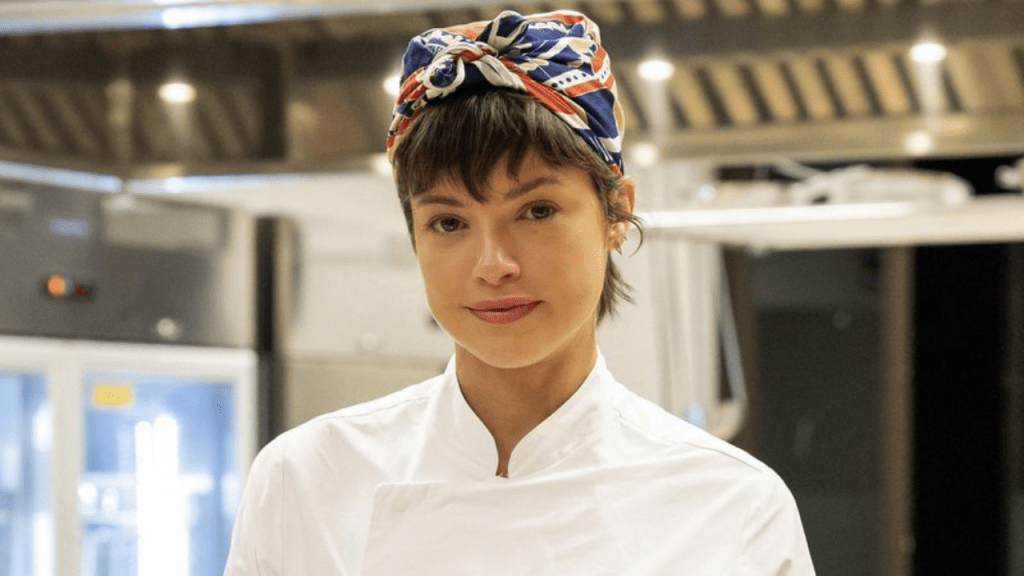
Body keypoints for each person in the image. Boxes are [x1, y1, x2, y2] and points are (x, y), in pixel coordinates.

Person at [224, 10, 814, 575]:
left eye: (536, 211)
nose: (493, 265)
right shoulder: (307, 481)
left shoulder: (731, 507)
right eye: (448, 222)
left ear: (616, 212)